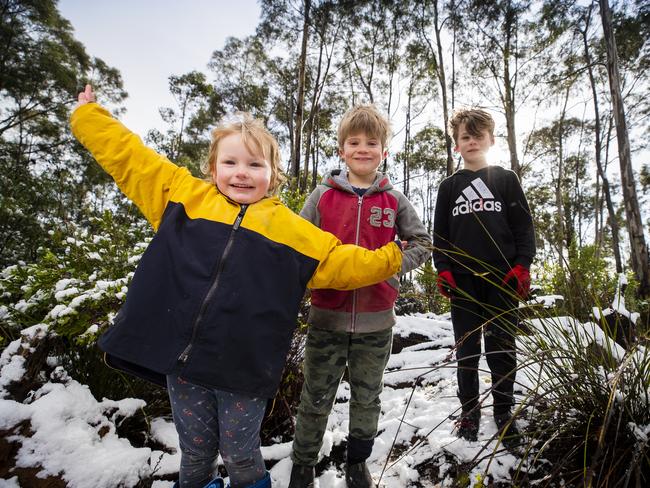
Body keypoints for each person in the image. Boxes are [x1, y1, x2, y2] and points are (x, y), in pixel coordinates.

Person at [71, 86, 404, 488]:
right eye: (230, 162)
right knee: (194, 455)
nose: (241, 172)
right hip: (185, 365)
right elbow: (131, 158)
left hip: (244, 366)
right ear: (213, 169)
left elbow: (341, 262)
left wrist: (393, 257)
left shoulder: (291, 232)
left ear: (272, 174)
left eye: (254, 164)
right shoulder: (183, 197)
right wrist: (90, 117)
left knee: (241, 456)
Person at [289, 105, 431, 488]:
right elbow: (296, 244)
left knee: (367, 396)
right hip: (326, 320)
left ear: (384, 151)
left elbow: (422, 241)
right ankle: (302, 465)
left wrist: (393, 265)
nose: (363, 149)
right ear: (342, 149)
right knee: (316, 395)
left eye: (372, 143)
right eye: (355, 142)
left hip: (377, 321)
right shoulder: (322, 196)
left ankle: (357, 463)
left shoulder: (394, 200)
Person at [432, 108, 535, 445]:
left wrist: (523, 265)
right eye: (465, 136)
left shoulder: (505, 179)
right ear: (456, 145)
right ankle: (469, 411)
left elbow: (523, 227)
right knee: (467, 350)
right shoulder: (449, 187)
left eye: (478, 135)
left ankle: (504, 411)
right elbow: (441, 234)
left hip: (502, 279)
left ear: (492, 140)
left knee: (501, 347)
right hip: (463, 281)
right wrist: (443, 268)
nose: (472, 140)